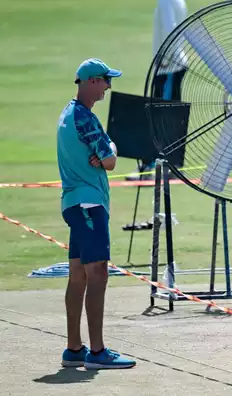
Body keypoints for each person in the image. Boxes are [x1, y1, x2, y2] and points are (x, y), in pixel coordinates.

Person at [57, 58, 136, 369]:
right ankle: (98, 352)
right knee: (98, 273)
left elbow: (103, 156)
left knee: (78, 275)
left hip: (75, 203)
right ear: (91, 82)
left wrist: (106, 153)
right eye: (105, 80)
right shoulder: (86, 119)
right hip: (89, 204)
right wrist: (111, 149)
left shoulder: (68, 113)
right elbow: (110, 160)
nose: (108, 87)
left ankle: (74, 349)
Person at [125, 0, 188, 181]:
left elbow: (170, 28)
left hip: (168, 66)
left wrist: (167, 59)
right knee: (168, 116)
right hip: (171, 65)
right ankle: (171, 167)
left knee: (159, 117)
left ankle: (150, 168)